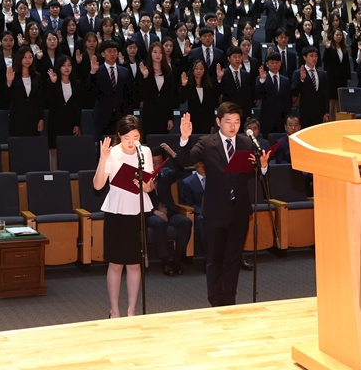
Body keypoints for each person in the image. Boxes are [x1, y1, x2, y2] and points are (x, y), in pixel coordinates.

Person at [177, 102, 271, 306]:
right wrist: (184, 138)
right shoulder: (206, 143)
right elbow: (184, 161)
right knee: (215, 258)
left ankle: (229, 299)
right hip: (215, 210)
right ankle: (214, 298)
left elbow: (255, 172)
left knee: (233, 258)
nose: (233, 126)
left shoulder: (246, 142)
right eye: (228, 121)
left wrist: (263, 167)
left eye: (236, 121)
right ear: (218, 121)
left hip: (240, 209)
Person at [93, 115, 155, 318]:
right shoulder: (112, 153)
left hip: (137, 211)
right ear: (119, 135)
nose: (131, 142)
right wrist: (103, 158)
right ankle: (115, 310)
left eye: (135, 138)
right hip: (116, 211)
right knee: (116, 263)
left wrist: (145, 186)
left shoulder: (144, 151)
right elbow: (98, 185)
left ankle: (131, 311)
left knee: (135, 263)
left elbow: (149, 186)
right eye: (127, 138)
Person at [148, 144, 192, 276]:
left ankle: (177, 260)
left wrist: (173, 154)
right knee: (159, 222)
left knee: (186, 222)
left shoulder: (165, 173)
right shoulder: (141, 177)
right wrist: (155, 211)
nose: (155, 166)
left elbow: (181, 171)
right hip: (150, 213)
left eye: (158, 163)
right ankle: (165, 261)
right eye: (152, 162)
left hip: (170, 212)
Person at [45, 55, 82, 149]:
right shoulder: (52, 82)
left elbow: (78, 105)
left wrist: (77, 124)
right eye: (64, 65)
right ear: (59, 67)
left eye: (69, 65)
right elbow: (48, 100)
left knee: (69, 148)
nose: (67, 68)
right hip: (55, 122)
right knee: (54, 148)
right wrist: (53, 83)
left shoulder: (76, 83)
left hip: (70, 121)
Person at [6, 46, 45, 136]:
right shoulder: (13, 75)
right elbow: (8, 98)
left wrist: (41, 118)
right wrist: (9, 82)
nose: (27, 60)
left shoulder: (37, 76)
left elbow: (40, 99)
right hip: (17, 119)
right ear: (19, 58)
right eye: (24, 57)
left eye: (30, 57)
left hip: (34, 118)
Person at [291, 46, 329, 128]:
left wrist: (326, 113)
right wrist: (301, 80)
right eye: (311, 56)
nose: (314, 58)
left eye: (316, 56)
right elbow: (294, 92)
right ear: (304, 57)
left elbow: (326, 94)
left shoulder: (322, 74)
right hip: (305, 114)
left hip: (319, 114)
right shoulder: (298, 73)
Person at [256, 51, 291, 136]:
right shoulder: (261, 78)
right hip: (266, 118)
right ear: (267, 64)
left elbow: (288, 101)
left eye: (277, 62)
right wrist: (262, 81)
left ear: (280, 63)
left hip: (282, 118)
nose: (275, 65)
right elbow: (258, 94)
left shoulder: (285, 80)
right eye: (272, 63)